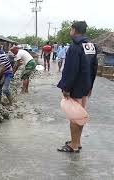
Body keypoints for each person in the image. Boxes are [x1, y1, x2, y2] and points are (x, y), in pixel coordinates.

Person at [57, 21, 98, 153]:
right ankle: (77, 141)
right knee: (79, 115)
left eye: (70, 29)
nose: (70, 32)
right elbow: (94, 67)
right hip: (85, 86)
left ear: (74, 30)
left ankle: (73, 145)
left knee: (74, 117)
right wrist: (90, 85)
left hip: (76, 87)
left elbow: (71, 70)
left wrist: (66, 88)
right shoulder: (90, 46)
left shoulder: (75, 47)